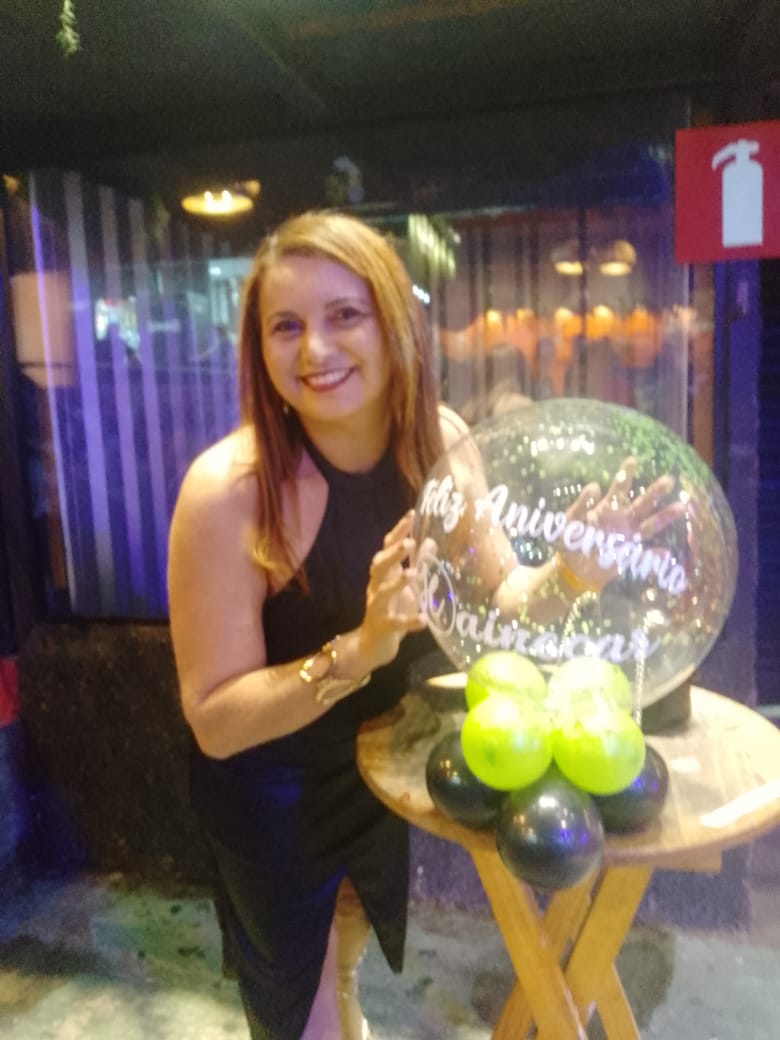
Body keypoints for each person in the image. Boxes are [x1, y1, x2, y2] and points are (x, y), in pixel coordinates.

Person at [167, 210, 679, 1040]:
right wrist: (360, 649)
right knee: (297, 1012)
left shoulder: (440, 443)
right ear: (258, 349)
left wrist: (571, 574)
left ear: (394, 323)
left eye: (344, 315)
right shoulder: (228, 490)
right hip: (273, 793)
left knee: (345, 961)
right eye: (285, 326)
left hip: (377, 770)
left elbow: (506, 602)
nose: (315, 350)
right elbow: (215, 721)